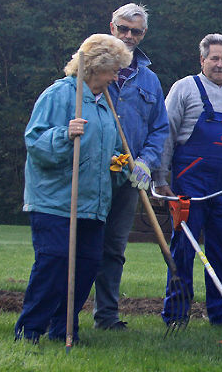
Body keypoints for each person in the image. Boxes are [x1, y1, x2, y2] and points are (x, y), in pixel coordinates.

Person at [14, 34, 133, 344]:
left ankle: (63, 329)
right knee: (53, 264)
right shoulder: (59, 94)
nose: (117, 76)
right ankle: (29, 331)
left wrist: (120, 165)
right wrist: (64, 135)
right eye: (114, 69)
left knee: (86, 267)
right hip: (56, 202)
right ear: (96, 67)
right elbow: (35, 142)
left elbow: (108, 154)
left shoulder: (105, 104)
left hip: (93, 205)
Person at [154, 33, 222, 325]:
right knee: (183, 250)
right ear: (202, 60)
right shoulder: (184, 89)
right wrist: (160, 179)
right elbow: (166, 137)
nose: (219, 64)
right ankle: (176, 314)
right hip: (190, 187)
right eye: (214, 58)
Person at [93, 3, 169, 331]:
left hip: (128, 179)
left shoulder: (150, 81)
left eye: (134, 31)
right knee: (81, 244)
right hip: (91, 176)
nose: (127, 35)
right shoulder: (90, 70)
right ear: (111, 27)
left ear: (144, 34)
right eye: (122, 28)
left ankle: (106, 317)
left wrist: (146, 163)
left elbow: (160, 130)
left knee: (114, 248)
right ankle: (64, 312)